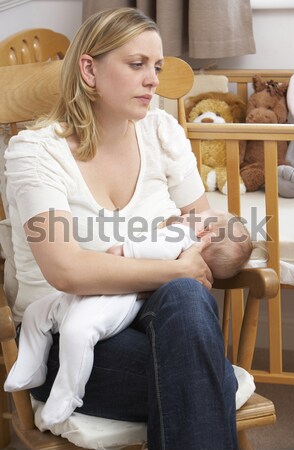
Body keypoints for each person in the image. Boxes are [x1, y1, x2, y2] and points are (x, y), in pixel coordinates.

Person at [4, 7, 240, 449]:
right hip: (65, 334)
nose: (153, 79)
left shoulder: (163, 133)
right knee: (205, 377)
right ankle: (214, 382)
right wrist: (174, 270)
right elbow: (67, 271)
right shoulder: (35, 153)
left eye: (157, 67)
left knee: (188, 301)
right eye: (137, 65)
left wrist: (191, 269)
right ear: (89, 69)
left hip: (156, 318)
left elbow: (204, 235)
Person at [4, 209, 252, 429]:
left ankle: (68, 393)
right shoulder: (184, 246)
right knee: (208, 378)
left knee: (78, 330)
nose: (194, 212)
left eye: (203, 214)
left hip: (116, 301)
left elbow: (142, 249)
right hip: (79, 298)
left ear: (205, 230)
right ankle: (31, 366)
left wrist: (123, 250)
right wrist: (179, 271)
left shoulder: (179, 235)